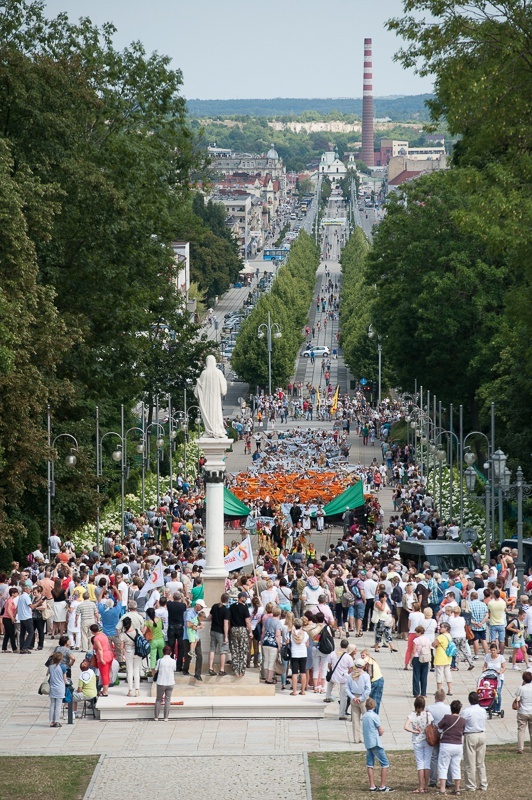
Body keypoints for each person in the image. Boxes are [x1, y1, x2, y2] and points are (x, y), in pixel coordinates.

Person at [362, 697, 394, 793]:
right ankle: (382, 786)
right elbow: (380, 730)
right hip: (375, 742)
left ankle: (372, 785)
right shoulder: (375, 716)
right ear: (374, 706)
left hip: (368, 742)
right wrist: (381, 732)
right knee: (385, 763)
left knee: (370, 764)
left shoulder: (364, 716)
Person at [404, 695, 434, 794]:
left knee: (420, 764)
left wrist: (414, 731)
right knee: (427, 763)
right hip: (427, 740)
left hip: (417, 740)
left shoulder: (412, 715)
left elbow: (405, 727)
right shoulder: (427, 715)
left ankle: (420, 786)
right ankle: (426, 786)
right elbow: (432, 725)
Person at [194, 354, 227, 438]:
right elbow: (224, 391)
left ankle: (209, 430)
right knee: (216, 414)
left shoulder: (203, 374)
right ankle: (217, 430)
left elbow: (198, 390)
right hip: (215, 400)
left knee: (208, 415)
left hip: (206, 402)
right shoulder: (219, 373)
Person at [437, 699, 466, 796]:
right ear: (459, 709)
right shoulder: (462, 720)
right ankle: (457, 789)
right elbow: (463, 731)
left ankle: (442, 789)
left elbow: (439, 727)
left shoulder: (447, 717)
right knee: (456, 767)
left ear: (451, 709)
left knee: (443, 766)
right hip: (458, 745)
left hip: (446, 744)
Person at [461, 690, 488, 792]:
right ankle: (483, 784)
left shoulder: (466, 711)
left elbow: (462, 723)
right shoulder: (483, 710)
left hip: (471, 735)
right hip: (481, 734)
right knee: (480, 762)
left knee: (470, 762)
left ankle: (471, 785)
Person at [427, 690, 452, 790]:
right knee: (447, 758)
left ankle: (433, 780)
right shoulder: (448, 708)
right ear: (444, 697)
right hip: (445, 735)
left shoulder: (429, 708)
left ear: (435, 697)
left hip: (434, 734)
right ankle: (449, 781)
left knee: (434, 757)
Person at [346, 658, 371, 743]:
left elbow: (347, 688)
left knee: (355, 720)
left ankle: (357, 738)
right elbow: (368, 689)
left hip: (354, 698)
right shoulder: (365, 676)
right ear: (363, 667)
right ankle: (367, 738)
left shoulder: (350, 675)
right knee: (366, 719)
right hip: (363, 698)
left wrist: (353, 697)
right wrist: (361, 698)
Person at [229, 592, 252, 678]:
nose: (245, 599)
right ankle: (241, 671)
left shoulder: (231, 607)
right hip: (242, 629)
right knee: (243, 650)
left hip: (233, 629)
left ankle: (235, 670)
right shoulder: (244, 607)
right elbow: (247, 621)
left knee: (235, 650)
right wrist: (250, 632)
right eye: (245, 598)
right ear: (242, 597)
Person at [183, 599, 207, 680]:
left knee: (199, 655)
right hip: (188, 637)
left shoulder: (197, 613)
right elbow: (188, 624)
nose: (202, 608)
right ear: (197, 605)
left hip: (195, 636)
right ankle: (185, 670)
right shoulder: (189, 613)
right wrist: (197, 626)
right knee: (188, 655)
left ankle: (197, 673)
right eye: (201, 606)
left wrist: (198, 625)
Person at [119, 615, 142, 697]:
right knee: (136, 670)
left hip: (128, 651)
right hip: (137, 651)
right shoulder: (137, 631)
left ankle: (130, 690)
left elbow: (121, 647)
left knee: (129, 671)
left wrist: (122, 653)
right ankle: (137, 690)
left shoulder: (123, 635)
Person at [209, 592, 230, 676]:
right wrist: (226, 636)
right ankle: (221, 669)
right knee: (223, 651)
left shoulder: (214, 606)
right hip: (221, 632)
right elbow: (225, 624)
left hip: (213, 630)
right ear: (227, 600)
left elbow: (209, 617)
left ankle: (210, 668)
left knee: (212, 649)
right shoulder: (226, 610)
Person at [153, 644, 176, 721]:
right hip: (170, 682)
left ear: (163, 652)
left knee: (158, 699)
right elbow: (174, 669)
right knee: (168, 700)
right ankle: (166, 717)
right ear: (171, 653)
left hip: (161, 682)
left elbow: (156, 669)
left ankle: (156, 716)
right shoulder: (173, 661)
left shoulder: (160, 661)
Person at [261, 606, 283, 685]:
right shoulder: (278, 622)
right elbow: (278, 635)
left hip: (266, 641)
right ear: (279, 613)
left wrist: (262, 639)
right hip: (273, 643)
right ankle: (269, 678)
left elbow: (263, 630)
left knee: (266, 660)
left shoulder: (267, 620)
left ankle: (266, 677)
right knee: (271, 662)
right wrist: (279, 645)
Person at [90, 623, 113, 697]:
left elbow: (100, 648)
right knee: (107, 673)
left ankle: (105, 691)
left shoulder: (96, 638)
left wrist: (101, 658)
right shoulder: (104, 635)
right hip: (109, 654)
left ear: (92, 631)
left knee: (104, 674)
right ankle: (105, 689)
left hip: (103, 656)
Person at [482, 642, 506, 714]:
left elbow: (504, 667)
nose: (493, 652)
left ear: (497, 650)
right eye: (491, 650)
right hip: (489, 677)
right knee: (488, 691)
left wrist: (500, 672)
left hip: (498, 678)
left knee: (497, 692)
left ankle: (497, 708)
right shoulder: (487, 657)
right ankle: (489, 706)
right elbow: (485, 666)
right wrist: (483, 670)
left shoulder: (501, 657)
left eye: (494, 650)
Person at [410, 625, 432, 697]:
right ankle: (423, 693)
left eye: (416, 632)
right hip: (425, 658)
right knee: (424, 676)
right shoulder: (427, 640)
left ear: (419, 632)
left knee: (416, 676)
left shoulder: (416, 640)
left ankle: (416, 693)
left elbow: (414, 651)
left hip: (417, 658)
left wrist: (411, 660)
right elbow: (429, 649)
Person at [432, 621, 453, 697]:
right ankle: (450, 689)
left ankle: (439, 690)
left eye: (442, 627)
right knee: (448, 673)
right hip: (448, 657)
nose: (440, 628)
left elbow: (434, 644)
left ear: (446, 628)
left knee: (439, 673)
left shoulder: (441, 637)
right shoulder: (449, 636)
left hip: (440, 656)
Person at [290, 617, 310, 695]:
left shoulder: (291, 633)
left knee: (294, 673)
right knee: (303, 672)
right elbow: (307, 644)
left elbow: (288, 642)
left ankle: (294, 691)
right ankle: (302, 690)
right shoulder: (305, 634)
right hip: (303, 654)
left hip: (294, 654)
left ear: (294, 625)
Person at [514, 670, 532, 753]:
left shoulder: (521, 688)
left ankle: (520, 748)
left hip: (522, 711)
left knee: (521, 730)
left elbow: (517, 696)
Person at [48, 650, 67, 728]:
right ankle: (57, 721)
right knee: (58, 705)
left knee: (52, 705)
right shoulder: (62, 667)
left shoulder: (50, 666)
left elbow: (48, 674)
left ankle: (51, 721)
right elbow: (64, 679)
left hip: (52, 687)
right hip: (60, 687)